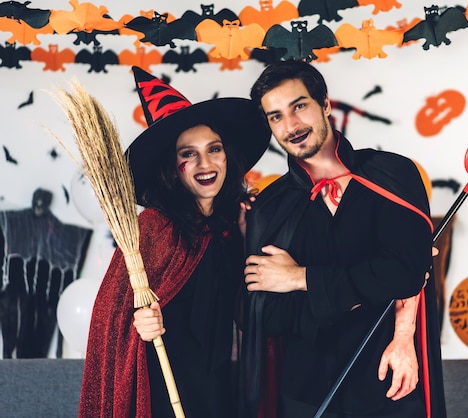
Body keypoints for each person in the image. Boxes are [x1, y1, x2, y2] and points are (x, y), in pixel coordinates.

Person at [241, 60, 446, 418]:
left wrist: (300, 279)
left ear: (325, 105)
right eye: (275, 117)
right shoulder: (269, 209)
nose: (290, 126)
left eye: (299, 106)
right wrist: (367, 287)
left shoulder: (392, 174)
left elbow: (407, 273)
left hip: (391, 382)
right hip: (308, 393)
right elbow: (265, 315)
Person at [78, 66, 271, 417]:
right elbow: (111, 319)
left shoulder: (234, 226)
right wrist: (140, 323)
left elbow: (247, 315)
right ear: (172, 165)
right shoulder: (151, 228)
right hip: (160, 383)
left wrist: (248, 241)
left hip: (219, 386)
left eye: (214, 148)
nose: (205, 163)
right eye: (188, 154)